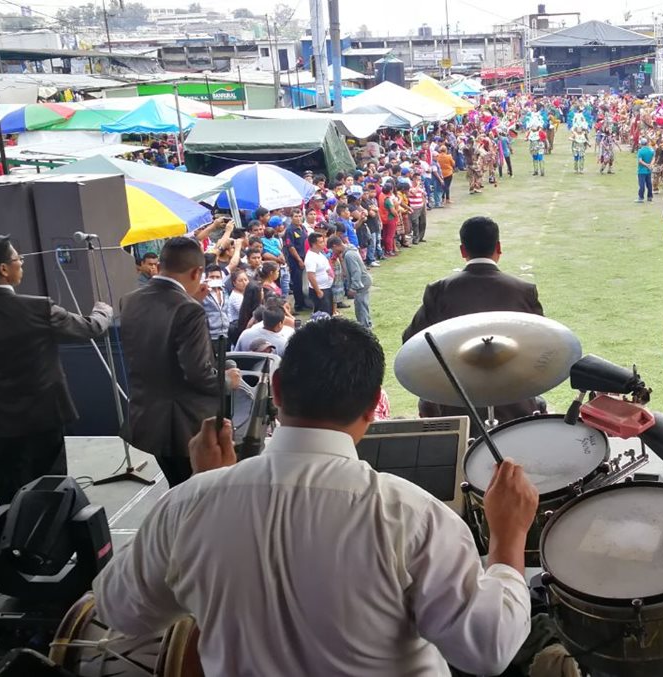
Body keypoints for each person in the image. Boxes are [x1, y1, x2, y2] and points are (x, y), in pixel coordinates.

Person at [93, 318, 539, 676]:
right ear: (373, 407)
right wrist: (508, 537)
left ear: (279, 391)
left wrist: (202, 489)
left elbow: (121, 611)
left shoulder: (187, 504)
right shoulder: (414, 516)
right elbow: (489, 650)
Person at [0, 235, 112, 504]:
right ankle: (50, 544)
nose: (22, 263)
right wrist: (103, 309)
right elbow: (90, 328)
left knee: (8, 498)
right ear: (3, 269)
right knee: (50, 492)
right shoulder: (37, 308)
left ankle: (10, 544)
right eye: (17, 258)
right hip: (42, 418)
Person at [120, 237, 241, 487]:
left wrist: (191, 301)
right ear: (197, 272)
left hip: (148, 417)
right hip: (185, 424)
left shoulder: (130, 299)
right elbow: (197, 373)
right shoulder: (189, 310)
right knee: (200, 495)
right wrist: (227, 380)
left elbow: (160, 340)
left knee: (177, 488)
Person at [402, 217, 544, 423]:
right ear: (498, 248)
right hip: (515, 404)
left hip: (453, 406)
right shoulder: (523, 291)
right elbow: (543, 347)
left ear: (463, 251)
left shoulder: (439, 291)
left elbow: (411, 343)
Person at [332, 235, 372, 329]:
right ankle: (367, 323)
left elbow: (356, 272)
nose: (333, 252)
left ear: (335, 246)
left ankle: (364, 327)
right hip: (364, 281)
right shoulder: (350, 250)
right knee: (363, 304)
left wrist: (353, 288)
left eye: (333, 249)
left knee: (360, 306)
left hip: (361, 283)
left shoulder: (349, 255)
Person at [305, 232, 335, 315]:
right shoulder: (310, 258)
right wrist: (318, 291)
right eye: (321, 242)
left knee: (329, 312)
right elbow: (311, 276)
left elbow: (327, 267)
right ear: (314, 244)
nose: (324, 244)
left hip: (327, 287)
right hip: (320, 289)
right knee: (322, 314)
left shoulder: (320, 254)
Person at [636, 138, 655, 203]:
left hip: (641, 170)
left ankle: (641, 197)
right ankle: (650, 197)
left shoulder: (640, 151)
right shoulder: (651, 150)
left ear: (641, 144)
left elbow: (640, 161)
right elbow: (653, 158)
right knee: (649, 184)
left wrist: (646, 165)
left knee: (642, 184)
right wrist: (650, 165)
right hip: (648, 170)